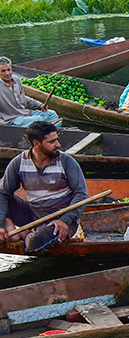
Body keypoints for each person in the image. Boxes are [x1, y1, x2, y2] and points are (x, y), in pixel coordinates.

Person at [0, 121, 87, 252]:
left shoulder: (66, 162)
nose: (58, 145)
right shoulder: (19, 162)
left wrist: (65, 220)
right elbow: (3, 193)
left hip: (60, 220)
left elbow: (81, 195)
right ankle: (13, 228)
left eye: (56, 140)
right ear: (36, 144)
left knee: (34, 243)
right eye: (51, 142)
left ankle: (25, 235)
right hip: (33, 214)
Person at [0, 57, 60, 127]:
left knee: (52, 114)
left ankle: (43, 130)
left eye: (8, 70)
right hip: (12, 119)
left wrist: (39, 105)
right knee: (38, 120)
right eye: (3, 71)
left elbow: (23, 97)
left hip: (25, 113)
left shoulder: (16, 79)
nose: (7, 73)